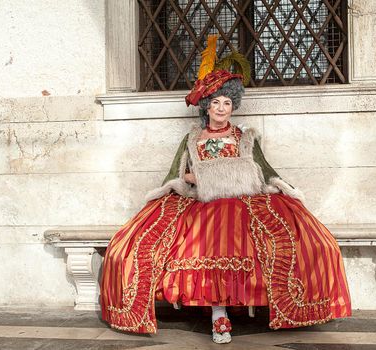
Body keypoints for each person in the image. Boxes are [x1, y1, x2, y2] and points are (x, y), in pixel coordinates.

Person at [101, 37, 351, 344]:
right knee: (155, 244)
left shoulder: (245, 137)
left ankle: (247, 307)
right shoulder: (192, 140)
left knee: (300, 242)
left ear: (234, 106)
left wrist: (286, 190)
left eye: (227, 103)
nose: (222, 109)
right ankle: (219, 315)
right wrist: (187, 181)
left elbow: (265, 169)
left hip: (242, 201)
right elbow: (174, 174)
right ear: (207, 106)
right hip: (201, 205)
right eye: (216, 102)